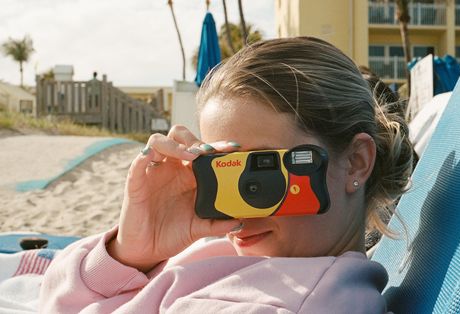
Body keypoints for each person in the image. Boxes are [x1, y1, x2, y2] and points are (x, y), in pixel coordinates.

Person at [39, 37, 413, 313]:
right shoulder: (239, 253)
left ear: (356, 162)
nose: (239, 215)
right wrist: (130, 252)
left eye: (261, 172)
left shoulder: (303, 301)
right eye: (224, 172)